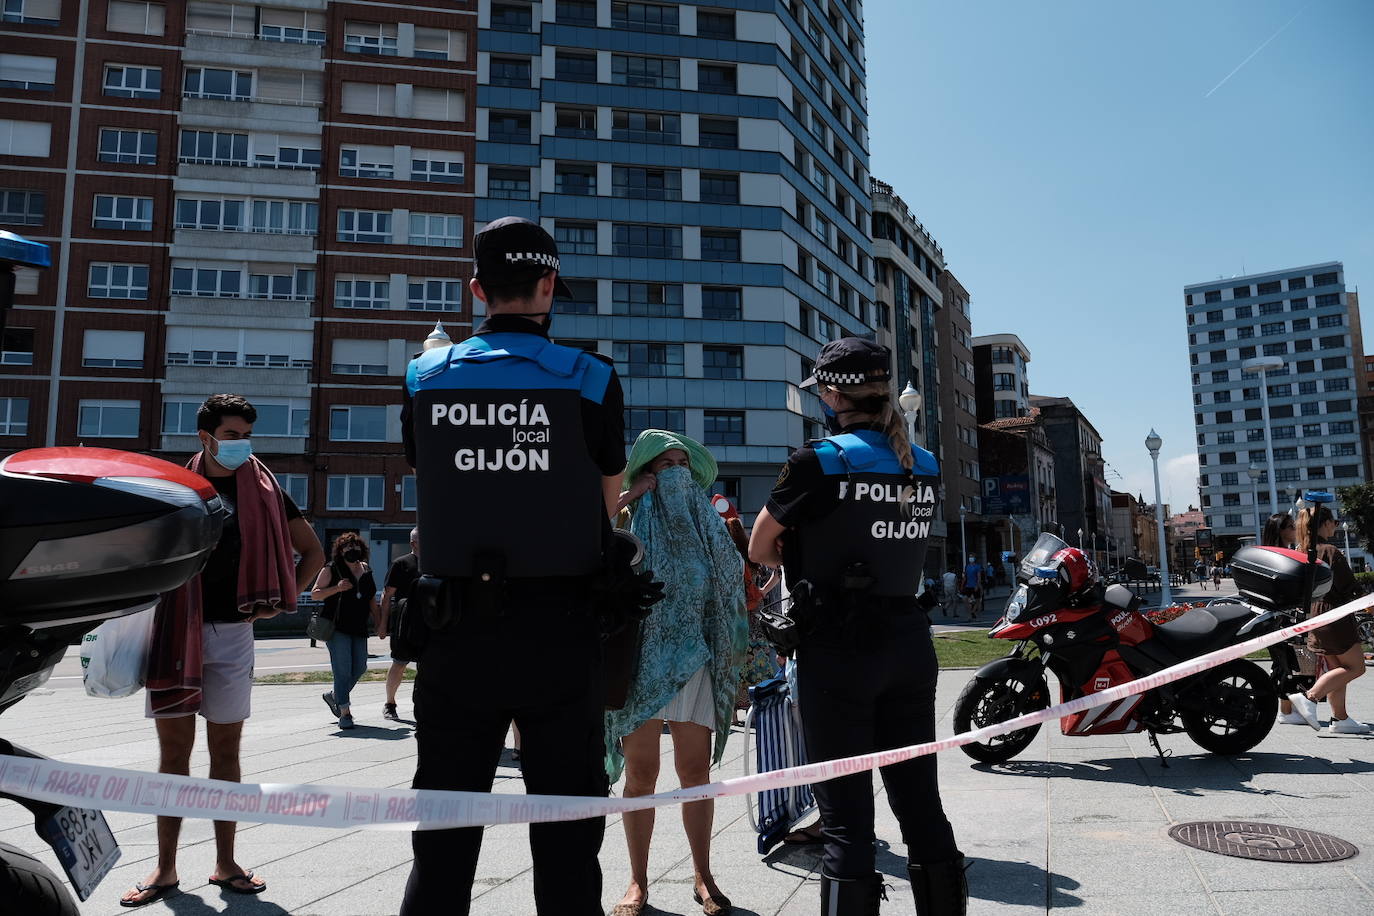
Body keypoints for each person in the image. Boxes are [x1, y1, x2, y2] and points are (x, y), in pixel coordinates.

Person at [399, 217, 637, 915]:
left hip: (454, 632)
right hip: (560, 635)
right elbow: (609, 502)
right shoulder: (592, 379)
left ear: (477, 289)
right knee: (567, 850)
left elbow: (431, 480)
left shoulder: (424, 376)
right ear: (549, 285)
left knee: (442, 845)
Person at [749, 338, 966, 915]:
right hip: (907, 644)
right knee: (922, 807)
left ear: (830, 393)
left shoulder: (816, 461)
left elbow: (760, 546)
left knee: (846, 822)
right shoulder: (923, 463)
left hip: (836, 652)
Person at [122, 394, 324, 907]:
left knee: (226, 755)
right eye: (232, 435)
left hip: (234, 632)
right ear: (205, 436)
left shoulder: (267, 489)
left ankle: (225, 861)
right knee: (173, 756)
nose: (242, 445)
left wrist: (282, 602)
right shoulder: (175, 487)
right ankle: (165, 868)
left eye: (246, 435)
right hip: (173, 632)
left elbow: (314, 552)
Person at [606, 432, 746, 916]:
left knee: (695, 774)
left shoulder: (706, 520)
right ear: (645, 469)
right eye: (663, 465)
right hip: (641, 664)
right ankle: (637, 881)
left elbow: (732, 582)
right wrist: (630, 493)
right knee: (642, 775)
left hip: (695, 661)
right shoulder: (627, 516)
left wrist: (735, 664)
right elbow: (582, 539)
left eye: (681, 464)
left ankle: (703, 876)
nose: (673, 474)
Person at [1287, 504, 1370, 735]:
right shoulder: (1330, 552)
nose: (1335, 525)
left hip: (1316, 616)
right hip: (1336, 617)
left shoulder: (1302, 551)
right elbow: (1351, 588)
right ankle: (1309, 697)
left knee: (1338, 669)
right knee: (1356, 667)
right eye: (1333, 521)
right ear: (1325, 523)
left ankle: (1340, 719)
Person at [311, 533, 381, 729]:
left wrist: (379, 623)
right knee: (342, 671)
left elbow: (371, 600)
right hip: (337, 627)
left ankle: (334, 696)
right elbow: (316, 594)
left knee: (360, 667)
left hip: (359, 627)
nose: (352, 550)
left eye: (355, 547)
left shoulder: (366, 570)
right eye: (347, 548)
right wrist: (337, 588)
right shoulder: (332, 569)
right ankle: (345, 713)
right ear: (340, 551)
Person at [1262, 513, 1308, 726]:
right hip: (1281, 615)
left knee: (1286, 662)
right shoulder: (1280, 555)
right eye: (1290, 527)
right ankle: (1286, 711)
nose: (1294, 530)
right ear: (1280, 530)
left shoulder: (1272, 553)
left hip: (1282, 613)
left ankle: (1288, 709)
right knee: (1285, 662)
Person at [380, 527, 421, 721]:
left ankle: (423, 705)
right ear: (413, 543)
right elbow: (386, 596)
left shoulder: (436, 564)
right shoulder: (401, 564)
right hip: (404, 622)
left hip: (429, 622)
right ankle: (390, 703)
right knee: (399, 663)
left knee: (428, 666)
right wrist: (382, 624)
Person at [962, 556, 982, 621]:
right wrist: (962, 585)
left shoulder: (977, 566)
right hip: (968, 586)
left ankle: (977, 616)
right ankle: (969, 615)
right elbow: (965, 577)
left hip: (975, 585)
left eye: (972, 557)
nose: (970, 558)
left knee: (978, 601)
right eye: (970, 557)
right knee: (965, 599)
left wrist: (977, 585)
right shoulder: (967, 566)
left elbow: (979, 577)